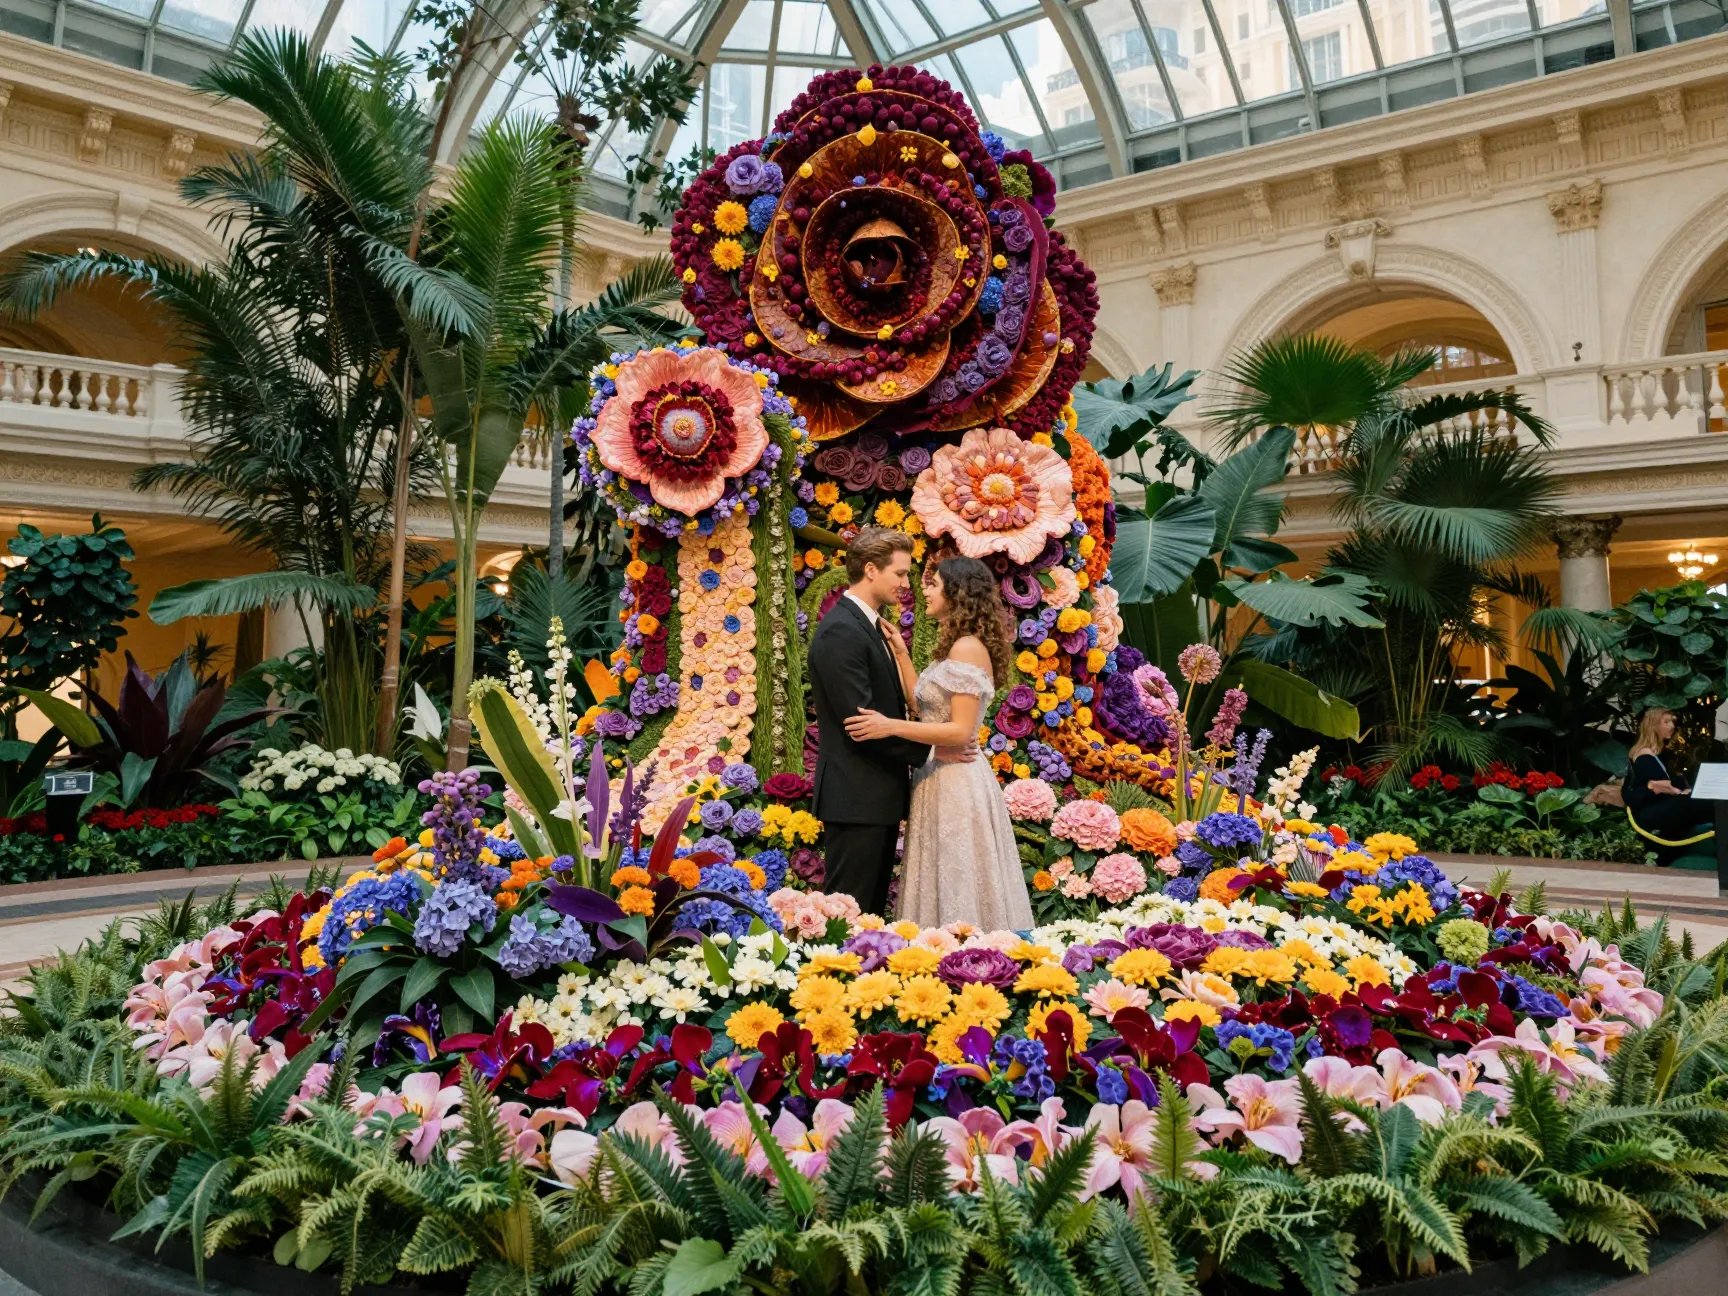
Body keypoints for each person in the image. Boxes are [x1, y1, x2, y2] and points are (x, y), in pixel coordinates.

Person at [844, 555, 1033, 931]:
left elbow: (960, 731)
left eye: (933, 585)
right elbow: (925, 706)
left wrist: (888, 726)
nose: (924, 591)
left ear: (957, 592)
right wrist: (901, 654)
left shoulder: (966, 647)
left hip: (956, 777)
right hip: (937, 774)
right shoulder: (956, 646)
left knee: (958, 873)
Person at [807, 528, 936, 917]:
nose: (906, 583)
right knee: (849, 916)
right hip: (856, 797)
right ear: (870, 569)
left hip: (872, 796)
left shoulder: (869, 626)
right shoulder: (842, 630)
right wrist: (932, 749)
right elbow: (861, 723)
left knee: (870, 918)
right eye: (900, 573)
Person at [1623, 706, 1714, 864]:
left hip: (1660, 808)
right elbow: (1641, 792)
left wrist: (1682, 790)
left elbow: (1672, 784)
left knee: (1702, 800)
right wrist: (1672, 791)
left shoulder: (1660, 754)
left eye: (1672, 721)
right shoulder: (1644, 756)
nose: (1672, 726)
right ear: (1652, 725)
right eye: (1666, 722)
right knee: (1703, 802)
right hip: (1650, 814)